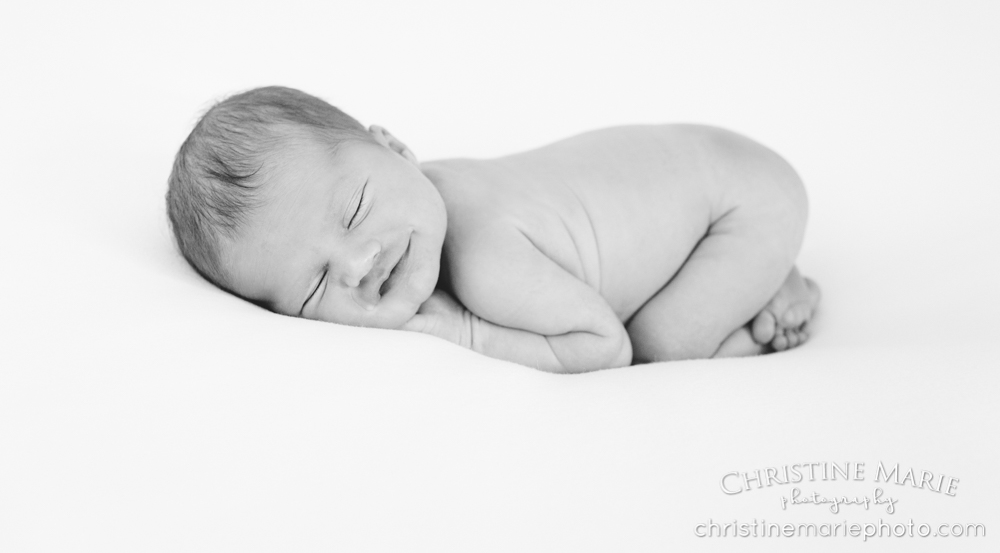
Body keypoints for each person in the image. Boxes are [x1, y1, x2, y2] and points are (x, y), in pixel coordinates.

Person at [167, 86, 820, 373]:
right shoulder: (421, 192)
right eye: (313, 286)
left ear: (393, 147)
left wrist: (465, 331)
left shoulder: (486, 261)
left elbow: (602, 346)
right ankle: (759, 273)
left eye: (355, 209)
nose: (357, 262)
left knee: (658, 346)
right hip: (702, 161)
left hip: (743, 205)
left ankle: (760, 304)